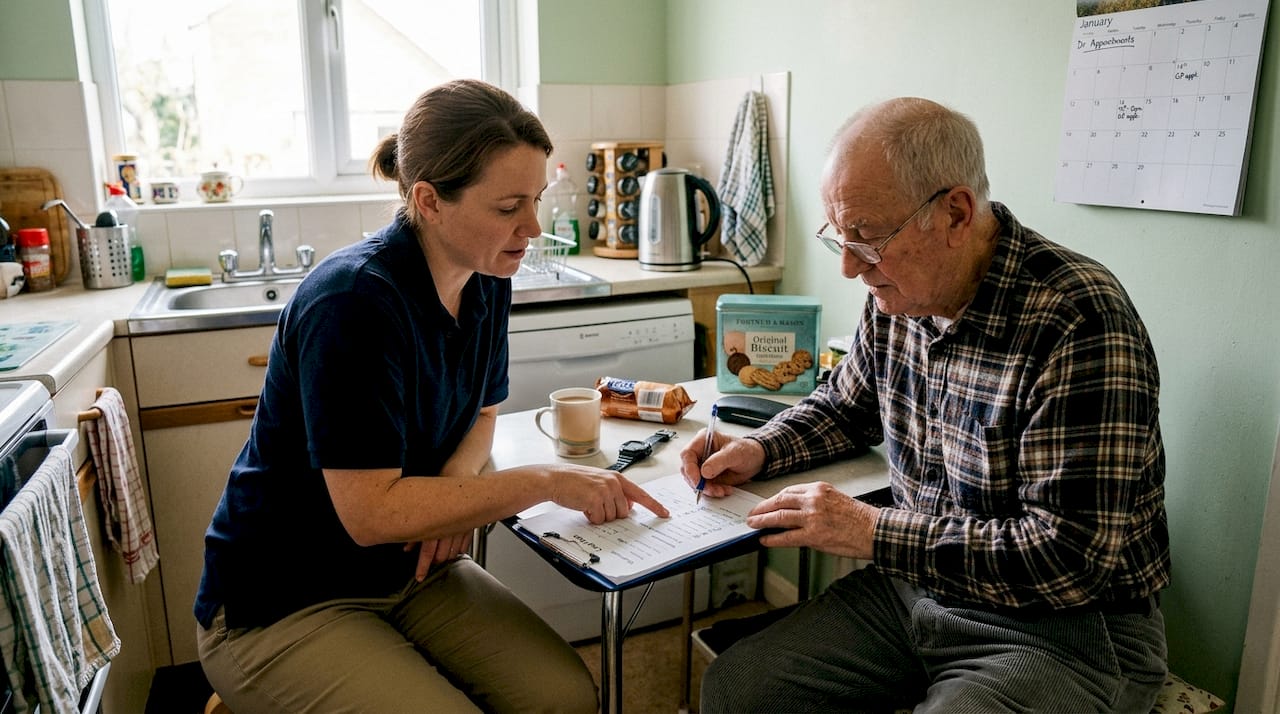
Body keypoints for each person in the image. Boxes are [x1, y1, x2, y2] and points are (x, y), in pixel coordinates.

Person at [194, 79, 669, 714]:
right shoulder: (353, 304)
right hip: (282, 600)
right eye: (509, 207)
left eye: (535, 201)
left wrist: (453, 492)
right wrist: (544, 482)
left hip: (407, 572)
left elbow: (484, 411)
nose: (532, 227)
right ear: (429, 201)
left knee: (566, 698)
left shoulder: (486, 274)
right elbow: (372, 515)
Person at [682, 97, 1170, 713]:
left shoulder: (1079, 321)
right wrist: (759, 448)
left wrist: (872, 530)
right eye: (839, 236)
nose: (849, 266)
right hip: (919, 590)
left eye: (866, 237)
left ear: (955, 214)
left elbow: (1068, 559)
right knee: (737, 687)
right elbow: (846, 406)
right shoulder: (898, 295)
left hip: (1062, 630)